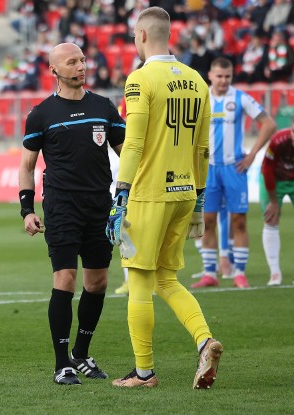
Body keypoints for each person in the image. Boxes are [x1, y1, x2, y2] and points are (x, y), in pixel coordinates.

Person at [106, 7, 223, 389]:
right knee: (167, 278)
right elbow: (204, 148)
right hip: (185, 191)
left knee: (139, 281)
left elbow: (134, 142)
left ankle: (144, 373)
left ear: (140, 35)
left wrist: (120, 193)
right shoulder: (198, 81)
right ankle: (205, 340)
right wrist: (200, 202)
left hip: (148, 195)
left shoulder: (140, 79)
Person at [19, 42, 125, 385]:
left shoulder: (104, 107)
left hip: (100, 205)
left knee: (98, 282)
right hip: (62, 205)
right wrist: (26, 208)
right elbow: (27, 165)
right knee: (65, 278)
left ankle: (81, 353)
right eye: (72, 62)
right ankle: (61, 362)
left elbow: (127, 152)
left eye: (82, 59)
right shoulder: (41, 114)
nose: (81, 66)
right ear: (54, 71)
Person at [192, 57, 276, 289]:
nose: (223, 81)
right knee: (207, 221)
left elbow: (268, 124)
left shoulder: (240, 98)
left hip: (234, 168)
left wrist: (251, 156)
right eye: (219, 76)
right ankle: (210, 273)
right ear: (210, 75)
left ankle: (239, 272)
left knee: (239, 221)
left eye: (227, 77)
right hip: (207, 169)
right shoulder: (200, 98)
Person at [261, 117, 294, 286]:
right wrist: (273, 201)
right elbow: (267, 169)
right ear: (291, 129)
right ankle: (275, 272)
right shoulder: (278, 141)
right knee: (271, 218)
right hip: (275, 179)